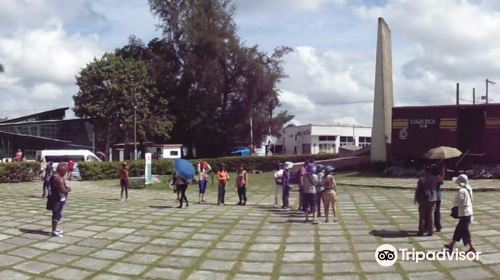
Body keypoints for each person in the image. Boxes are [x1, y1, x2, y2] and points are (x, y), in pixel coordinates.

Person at [444, 174, 476, 253]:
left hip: (464, 213)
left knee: (464, 231)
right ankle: (451, 245)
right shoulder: (469, 188)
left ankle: (472, 247)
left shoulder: (462, 190)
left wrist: (454, 205)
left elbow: (458, 201)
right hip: (469, 211)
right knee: (459, 230)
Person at [48, 162, 71, 237]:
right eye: (66, 171)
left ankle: (55, 228)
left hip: (53, 198)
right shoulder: (59, 179)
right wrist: (68, 189)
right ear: (62, 171)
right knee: (57, 215)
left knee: (55, 214)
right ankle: (54, 231)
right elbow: (63, 190)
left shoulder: (53, 176)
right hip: (59, 199)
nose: (66, 173)